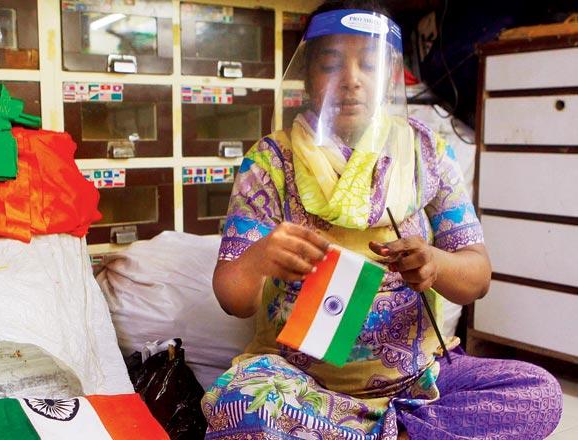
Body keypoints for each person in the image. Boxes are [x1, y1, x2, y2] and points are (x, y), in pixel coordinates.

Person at [201, 1, 563, 439]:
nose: (351, 80)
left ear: (390, 75)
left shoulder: (424, 152)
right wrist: (260, 258)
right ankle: (398, 433)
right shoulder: (271, 161)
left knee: (538, 393)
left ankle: (377, 430)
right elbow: (233, 298)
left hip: (422, 381)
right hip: (303, 383)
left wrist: (436, 264)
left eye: (369, 65)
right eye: (331, 64)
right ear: (308, 77)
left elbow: (477, 278)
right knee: (241, 404)